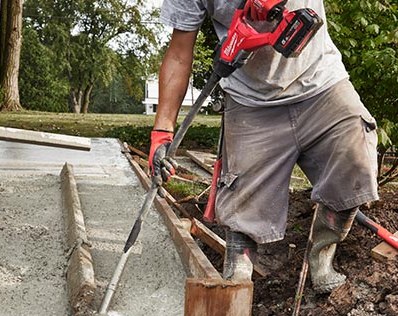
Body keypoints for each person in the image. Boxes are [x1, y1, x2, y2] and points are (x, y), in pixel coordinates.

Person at [150, 0, 379, 294]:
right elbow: (180, 54)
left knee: (355, 160)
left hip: (321, 82)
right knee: (241, 210)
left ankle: (322, 256)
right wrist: (162, 131)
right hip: (250, 99)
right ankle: (236, 283)